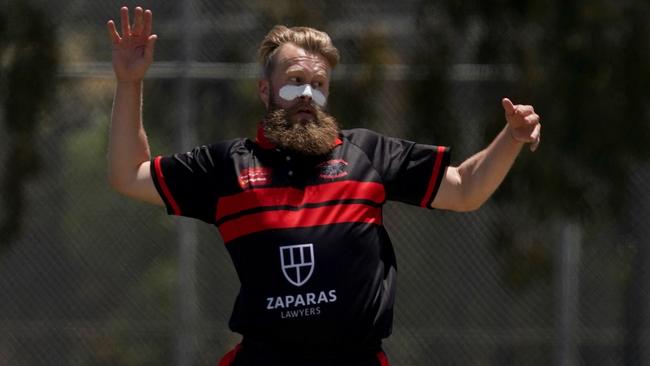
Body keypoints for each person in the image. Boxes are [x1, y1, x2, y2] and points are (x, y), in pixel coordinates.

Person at [106, 6, 541, 366]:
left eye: (319, 85)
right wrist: (129, 82)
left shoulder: (368, 153)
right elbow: (129, 173)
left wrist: (511, 138)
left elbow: (466, 188)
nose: (307, 95)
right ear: (265, 90)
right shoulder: (227, 165)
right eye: (295, 81)